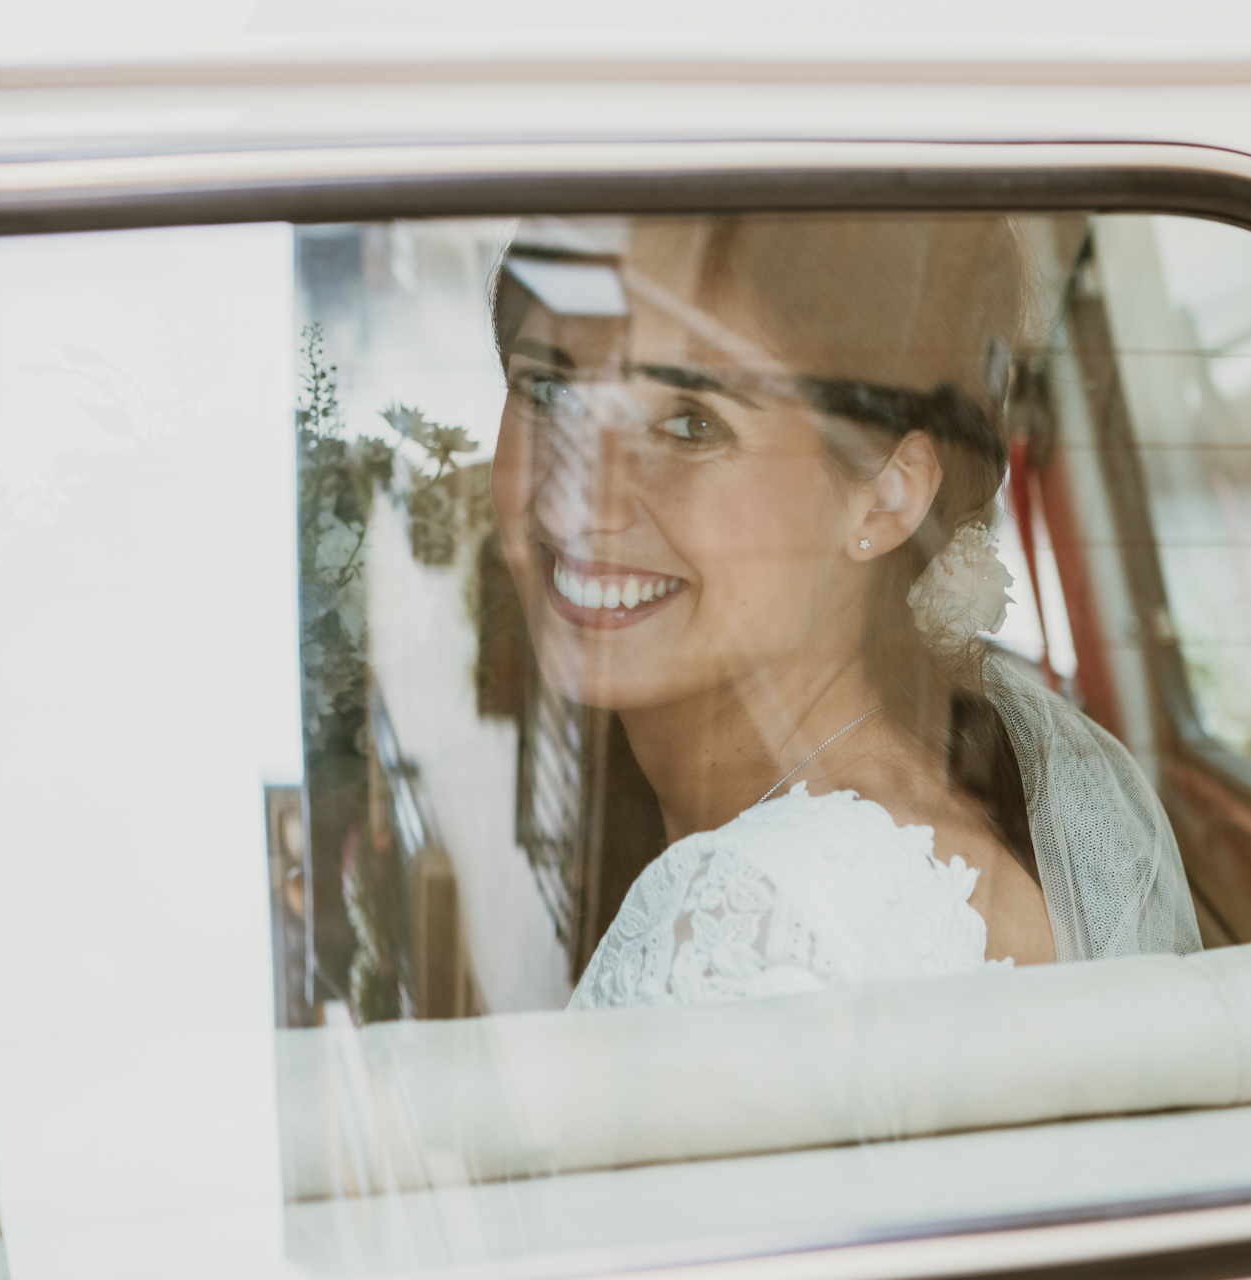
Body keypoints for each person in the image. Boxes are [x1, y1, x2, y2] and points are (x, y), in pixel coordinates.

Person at [487, 214, 1200, 1010]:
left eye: (691, 423)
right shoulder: (944, 803)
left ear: (886, 497)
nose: (574, 501)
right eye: (548, 391)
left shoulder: (748, 935)